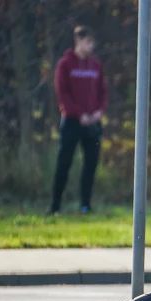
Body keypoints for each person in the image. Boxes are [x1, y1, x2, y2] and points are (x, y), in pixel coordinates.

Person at [49, 25, 108, 215]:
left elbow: (103, 91)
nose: (91, 46)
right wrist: (78, 113)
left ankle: (85, 205)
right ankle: (55, 206)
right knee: (64, 163)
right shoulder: (65, 64)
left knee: (90, 165)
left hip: (92, 122)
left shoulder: (96, 65)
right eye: (88, 41)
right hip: (72, 121)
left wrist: (99, 111)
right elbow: (62, 93)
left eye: (93, 42)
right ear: (78, 41)